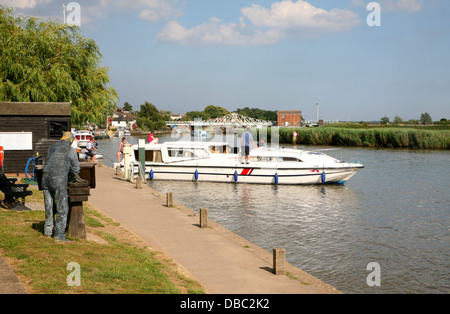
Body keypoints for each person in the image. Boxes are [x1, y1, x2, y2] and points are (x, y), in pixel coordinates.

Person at [42, 132, 85, 242]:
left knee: (49, 206)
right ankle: (59, 235)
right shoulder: (70, 150)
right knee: (62, 208)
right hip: (58, 179)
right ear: (71, 140)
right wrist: (74, 174)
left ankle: (48, 232)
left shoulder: (52, 147)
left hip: (45, 178)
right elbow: (76, 168)